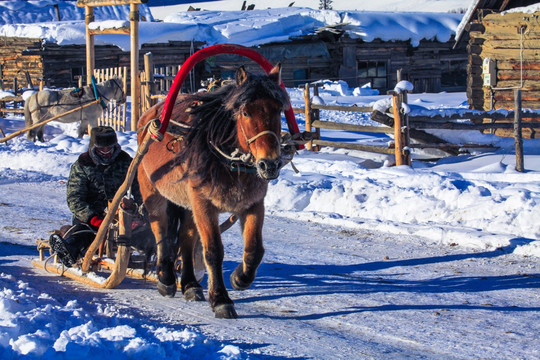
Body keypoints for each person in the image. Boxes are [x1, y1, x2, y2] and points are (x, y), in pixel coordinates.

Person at [49, 126, 141, 267]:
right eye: (101, 149)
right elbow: (75, 198)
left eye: (109, 148)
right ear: (94, 147)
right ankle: (68, 249)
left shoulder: (125, 162)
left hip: (120, 216)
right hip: (92, 218)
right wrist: (93, 218)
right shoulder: (82, 165)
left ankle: (163, 255)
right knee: (83, 235)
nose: (106, 152)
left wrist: (141, 215)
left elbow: (140, 190)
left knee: (146, 234)